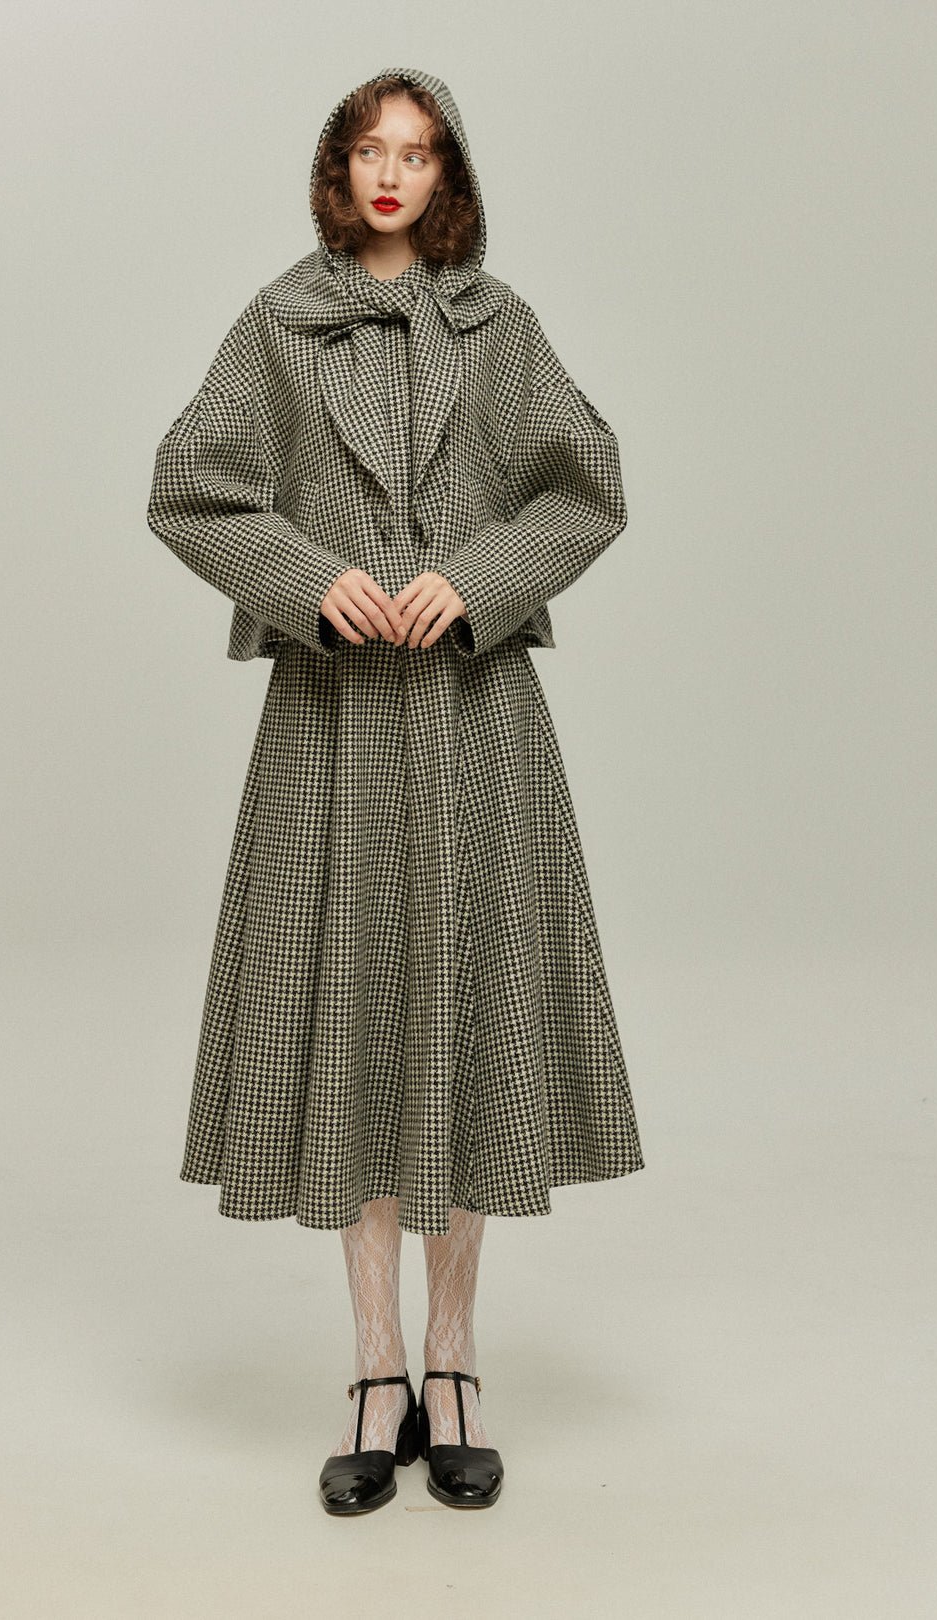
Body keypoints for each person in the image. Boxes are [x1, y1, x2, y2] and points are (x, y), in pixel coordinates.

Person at [147, 67, 644, 1516]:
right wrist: (310, 580)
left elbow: (589, 483)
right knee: (354, 1030)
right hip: (333, 724)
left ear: (447, 179)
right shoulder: (281, 322)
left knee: (467, 1026)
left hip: (477, 719)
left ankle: (455, 1360)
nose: (389, 174)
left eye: (416, 154)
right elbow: (188, 484)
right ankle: (375, 1370)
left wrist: (475, 578)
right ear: (337, 168)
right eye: (369, 150)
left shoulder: (500, 324)